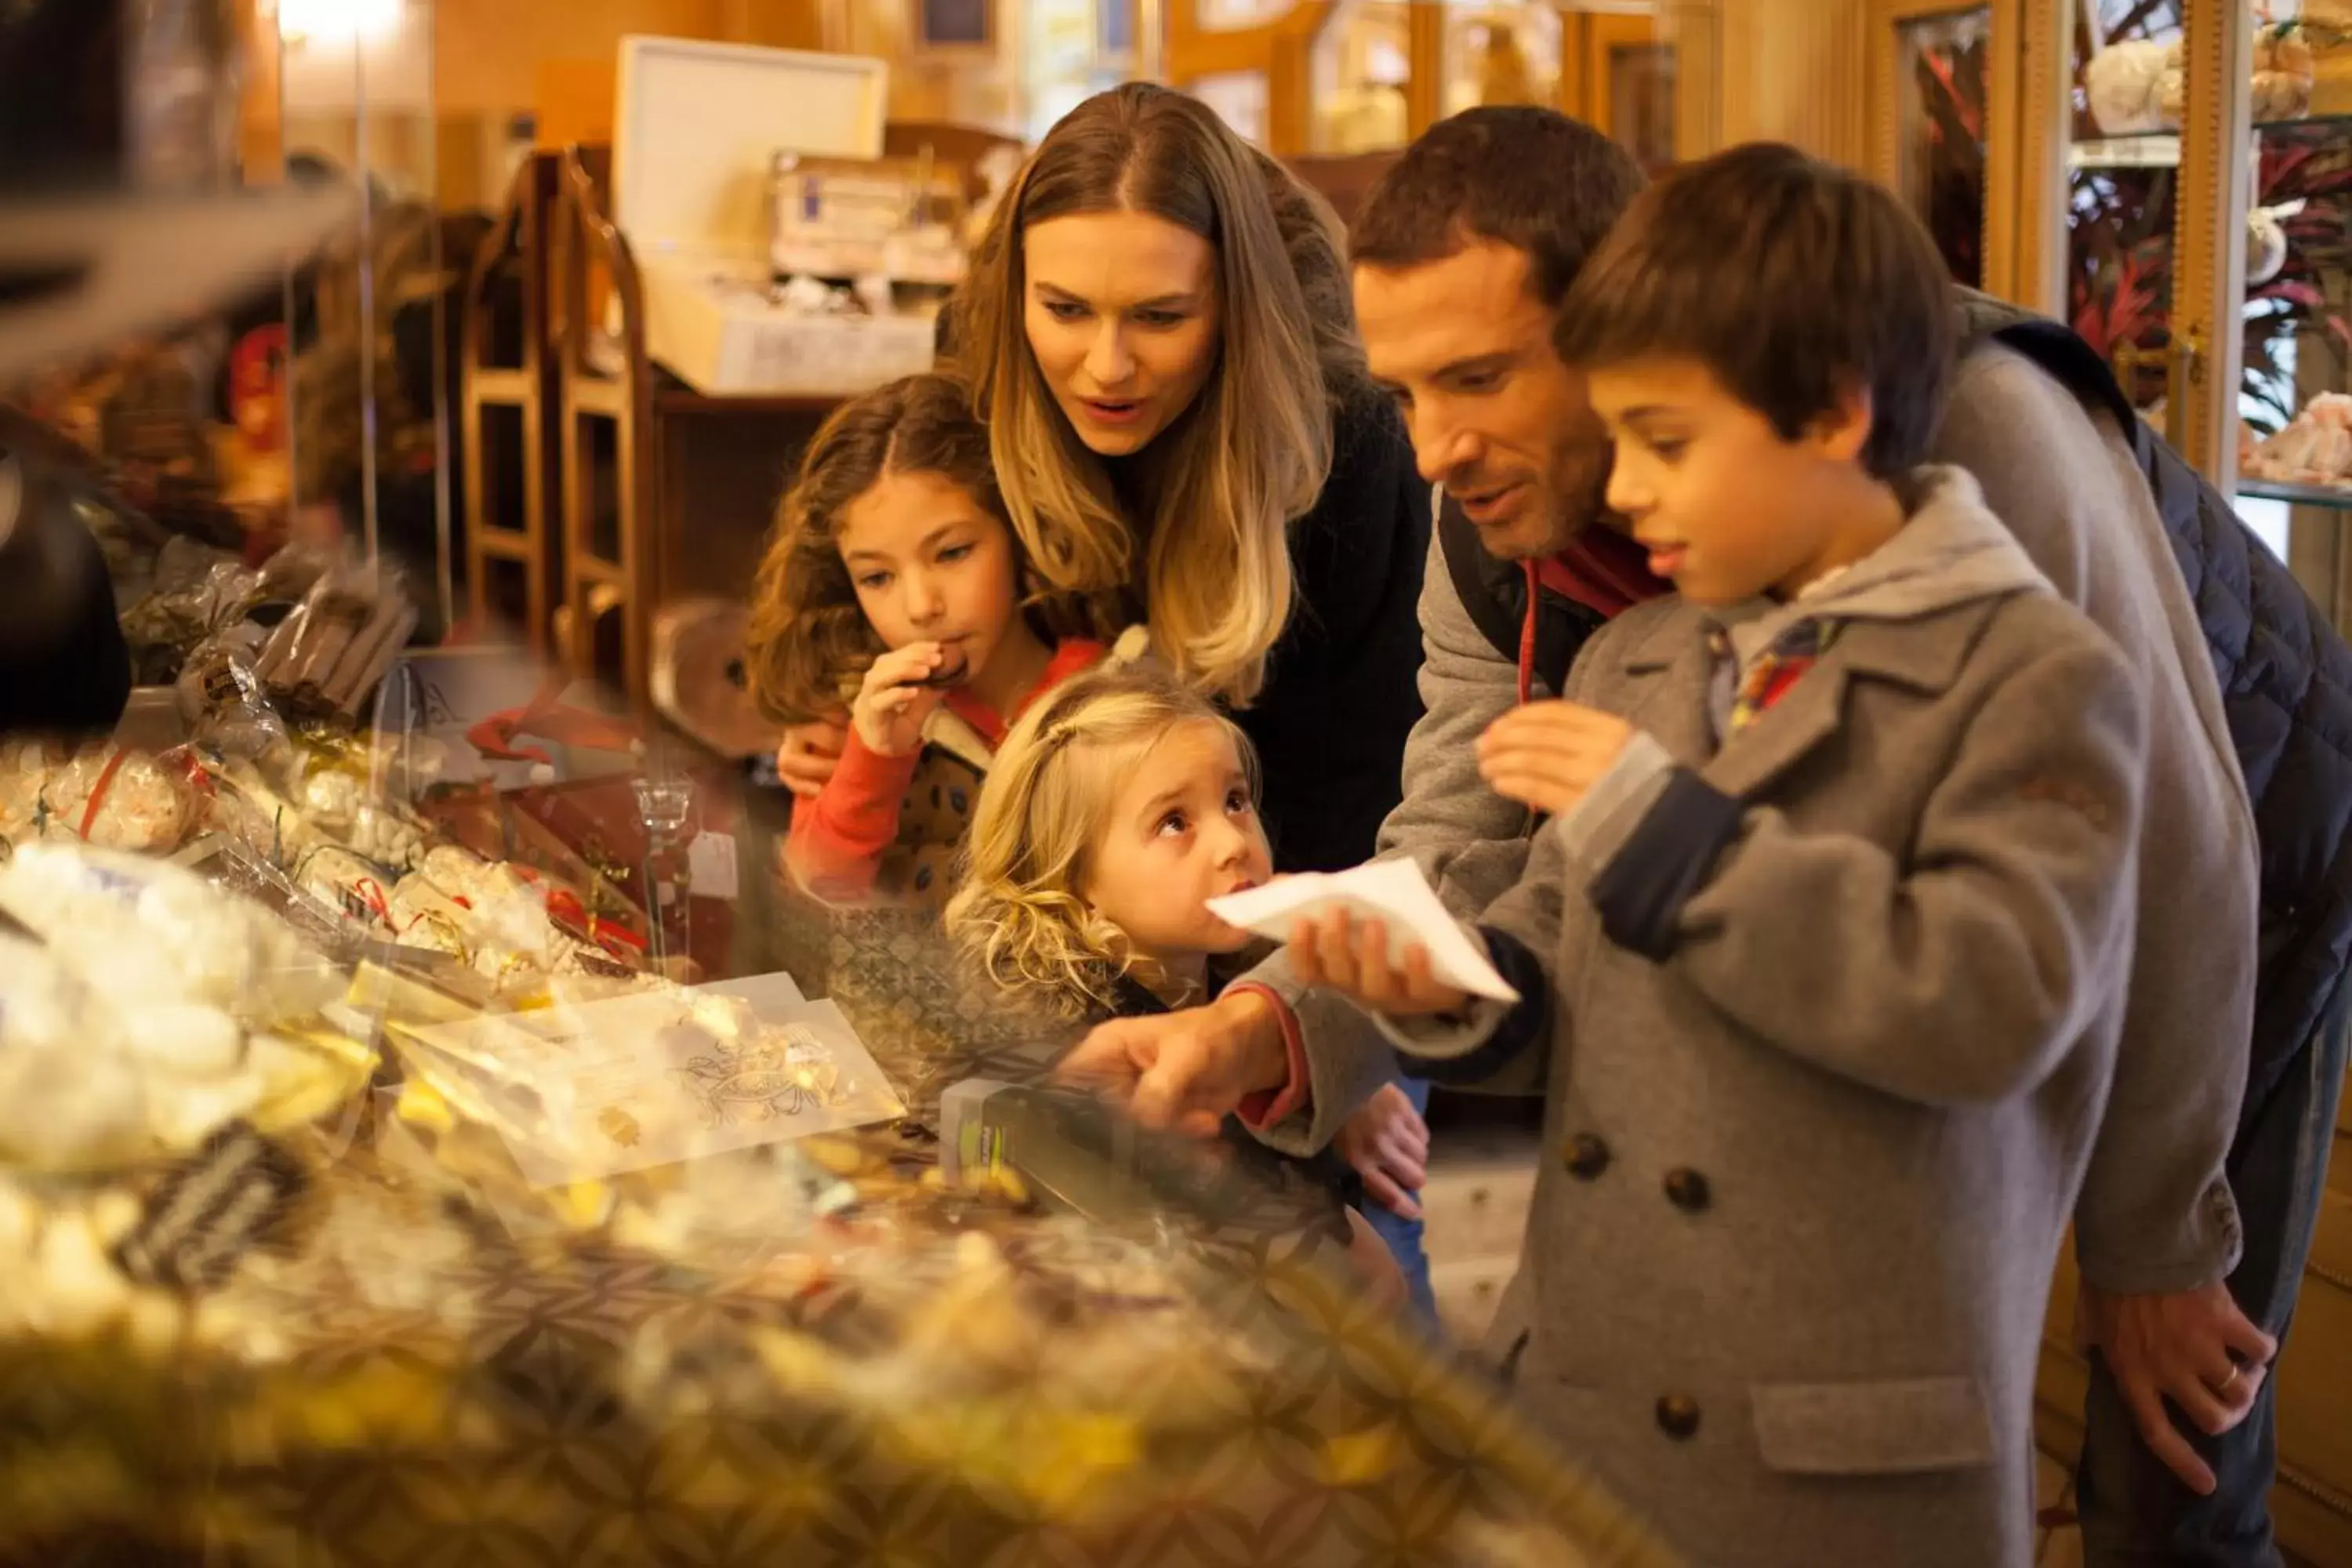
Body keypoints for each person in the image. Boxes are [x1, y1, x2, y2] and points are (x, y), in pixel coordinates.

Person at [1065, 104, 2352, 1566]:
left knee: (2169, 1440)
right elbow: (1466, 833)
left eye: (1483, 377)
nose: (1433, 453)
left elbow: (2179, 853)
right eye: (1410, 392)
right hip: (1845, 918)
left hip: (2235, 854)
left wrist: (2159, 1243)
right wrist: (1264, 1028)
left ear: (1622, 318)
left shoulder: (1963, 427)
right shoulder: (1494, 511)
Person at [1288, 137, 2143, 1568]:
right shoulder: (1634, 657)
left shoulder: (2037, 674)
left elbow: (1991, 1005)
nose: (1625, 492)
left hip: (1836, 1464)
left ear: (1830, 412)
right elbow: (1556, 973)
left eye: (1666, 445)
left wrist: (1677, 833)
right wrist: (1430, 987)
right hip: (1587, 1401)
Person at [773, 82, 1438, 1308]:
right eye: (1065, 310)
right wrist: (836, 719)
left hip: (1305, 900)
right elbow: (890, 548)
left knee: (1359, 1295)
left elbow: (1367, 799)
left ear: (1233, 310)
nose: (1107, 364)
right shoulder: (981, 371)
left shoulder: (1344, 441)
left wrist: (1308, 1040)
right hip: (1073, 936)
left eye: (1162, 317)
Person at [943, 661, 1428, 1288]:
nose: (1233, 842)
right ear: (1072, 874)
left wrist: (1335, 1070)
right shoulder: (1070, 1048)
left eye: (1235, 800)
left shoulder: (1253, 979)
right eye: (1175, 822)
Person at [745, 373, 1142, 906]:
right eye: (877, 578)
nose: (920, 607)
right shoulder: (848, 714)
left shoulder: (1115, 696)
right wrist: (875, 756)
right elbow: (814, 899)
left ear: (1019, 533)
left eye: (953, 553)